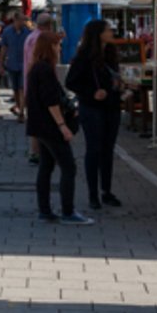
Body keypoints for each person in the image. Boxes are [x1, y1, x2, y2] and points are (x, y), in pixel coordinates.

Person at [28, 32, 91, 224]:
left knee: (46, 166)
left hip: (39, 125)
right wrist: (62, 125)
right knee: (68, 167)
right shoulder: (45, 70)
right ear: (50, 48)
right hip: (50, 127)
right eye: (57, 45)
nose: (60, 49)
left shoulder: (36, 68)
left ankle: (45, 210)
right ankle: (68, 211)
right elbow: (51, 102)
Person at [66, 19, 125, 210]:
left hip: (112, 106)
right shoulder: (83, 57)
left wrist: (120, 86)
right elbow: (71, 82)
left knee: (108, 149)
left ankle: (106, 191)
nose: (111, 32)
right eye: (108, 30)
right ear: (98, 33)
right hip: (91, 108)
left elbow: (113, 77)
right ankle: (93, 194)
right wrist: (91, 92)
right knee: (94, 149)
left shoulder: (111, 54)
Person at [25, 15, 58, 164]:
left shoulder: (31, 36)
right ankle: (38, 152)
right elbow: (34, 59)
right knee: (42, 118)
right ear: (49, 25)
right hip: (39, 82)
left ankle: (35, 152)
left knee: (34, 117)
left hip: (31, 82)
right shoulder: (41, 38)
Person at [2, 12, 30, 119]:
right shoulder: (7, 32)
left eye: (24, 20)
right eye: (21, 20)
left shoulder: (27, 32)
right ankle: (19, 106)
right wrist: (1, 64)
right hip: (12, 64)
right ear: (15, 20)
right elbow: (4, 48)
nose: (23, 22)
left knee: (22, 88)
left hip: (25, 64)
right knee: (15, 89)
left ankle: (22, 112)